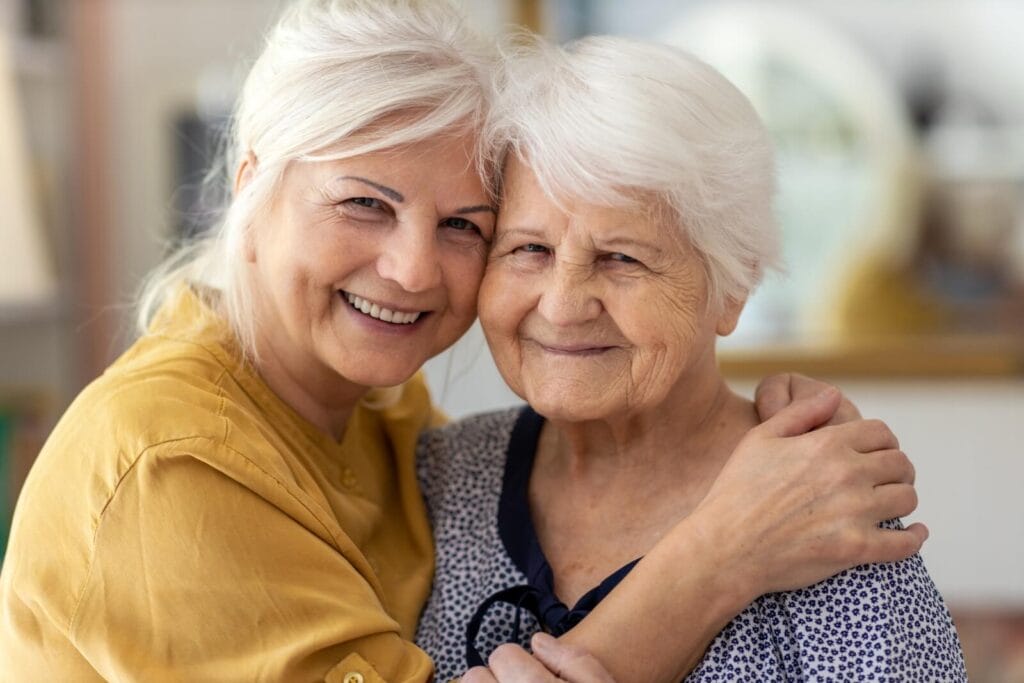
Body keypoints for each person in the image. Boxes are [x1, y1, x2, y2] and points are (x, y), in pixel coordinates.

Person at [0, 2, 927, 681]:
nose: (412, 271)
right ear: (252, 186)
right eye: (364, 202)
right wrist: (721, 551)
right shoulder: (171, 465)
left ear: (733, 286)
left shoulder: (400, 430)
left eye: (462, 226)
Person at [416, 35, 966, 682]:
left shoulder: (825, 505)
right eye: (529, 249)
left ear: (733, 288)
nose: (562, 307)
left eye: (621, 258)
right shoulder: (437, 476)